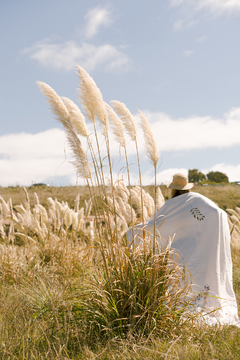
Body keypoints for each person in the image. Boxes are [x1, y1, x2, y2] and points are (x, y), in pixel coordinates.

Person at [127, 173, 239, 326]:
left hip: (183, 253)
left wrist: (133, 232)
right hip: (206, 250)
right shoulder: (198, 200)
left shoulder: (173, 205)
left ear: (172, 190)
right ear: (187, 188)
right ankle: (207, 302)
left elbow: (156, 226)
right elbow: (219, 213)